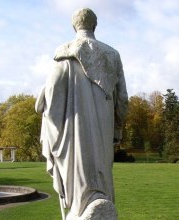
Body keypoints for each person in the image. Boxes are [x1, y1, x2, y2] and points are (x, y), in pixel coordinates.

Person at [36, 8, 128, 219]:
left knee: (80, 192)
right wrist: (117, 130)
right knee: (103, 183)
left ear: (74, 26)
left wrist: (42, 105)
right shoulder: (112, 55)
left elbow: (51, 94)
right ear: (94, 26)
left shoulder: (65, 53)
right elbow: (122, 100)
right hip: (104, 134)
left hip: (73, 137)